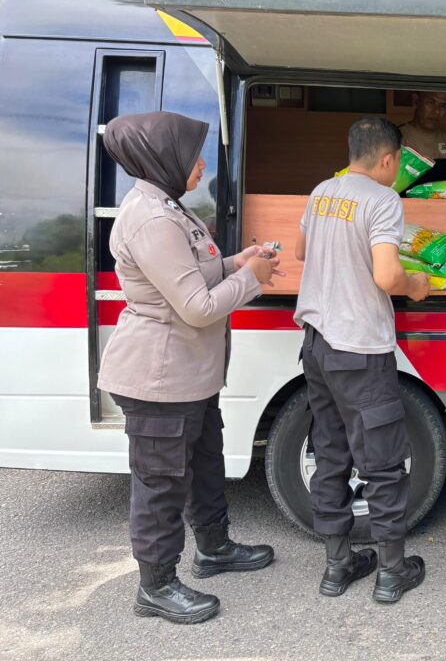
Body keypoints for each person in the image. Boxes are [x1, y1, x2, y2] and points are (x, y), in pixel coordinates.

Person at [97, 111, 281, 625]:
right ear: (165, 158)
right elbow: (197, 306)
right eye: (193, 154)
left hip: (190, 375)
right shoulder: (153, 220)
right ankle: (155, 586)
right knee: (160, 483)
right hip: (160, 378)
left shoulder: (169, 207)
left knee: (204, 463)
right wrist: (253, 278)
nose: (201, 164)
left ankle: (214, 548)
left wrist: (236, 262)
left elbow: (189, 272)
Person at [294, 116, 431, 604]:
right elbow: (387, 275)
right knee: (382, 462)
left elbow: (301, 250)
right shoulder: (383, 200)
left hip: (317, 346)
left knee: (330, 453)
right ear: (389, 159)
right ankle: (392, 572)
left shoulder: (321, 192)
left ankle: (338, 566)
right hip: (360, 350)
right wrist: (416, 284)